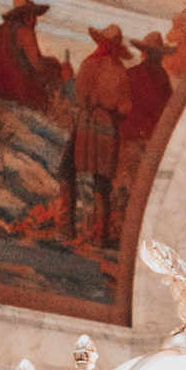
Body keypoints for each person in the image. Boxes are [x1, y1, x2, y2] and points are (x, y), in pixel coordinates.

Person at [58, 23, 131, 245]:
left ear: (101, 43)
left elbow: (78, 98)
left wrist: (68, 80)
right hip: (108, 131)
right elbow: (125, 108)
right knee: (102, 182)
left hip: (85, 128)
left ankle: (66, 227)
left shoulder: (89, 65)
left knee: (66, 170)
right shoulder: (120, 72)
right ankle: (100, 236)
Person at [0, 0, 62, 110]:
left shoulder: (4, 27)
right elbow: (37, 65)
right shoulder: (25, 32)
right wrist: (53, 65)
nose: (36, 21)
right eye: (34, 16)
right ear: (28, 16)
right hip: (14, 86)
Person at [122, 29, 177, 144]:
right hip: (154, 135)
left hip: (131, 132)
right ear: (161, 56)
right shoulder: (163, 77)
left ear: (144, 53)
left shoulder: (133, 72)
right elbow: (169, 108)